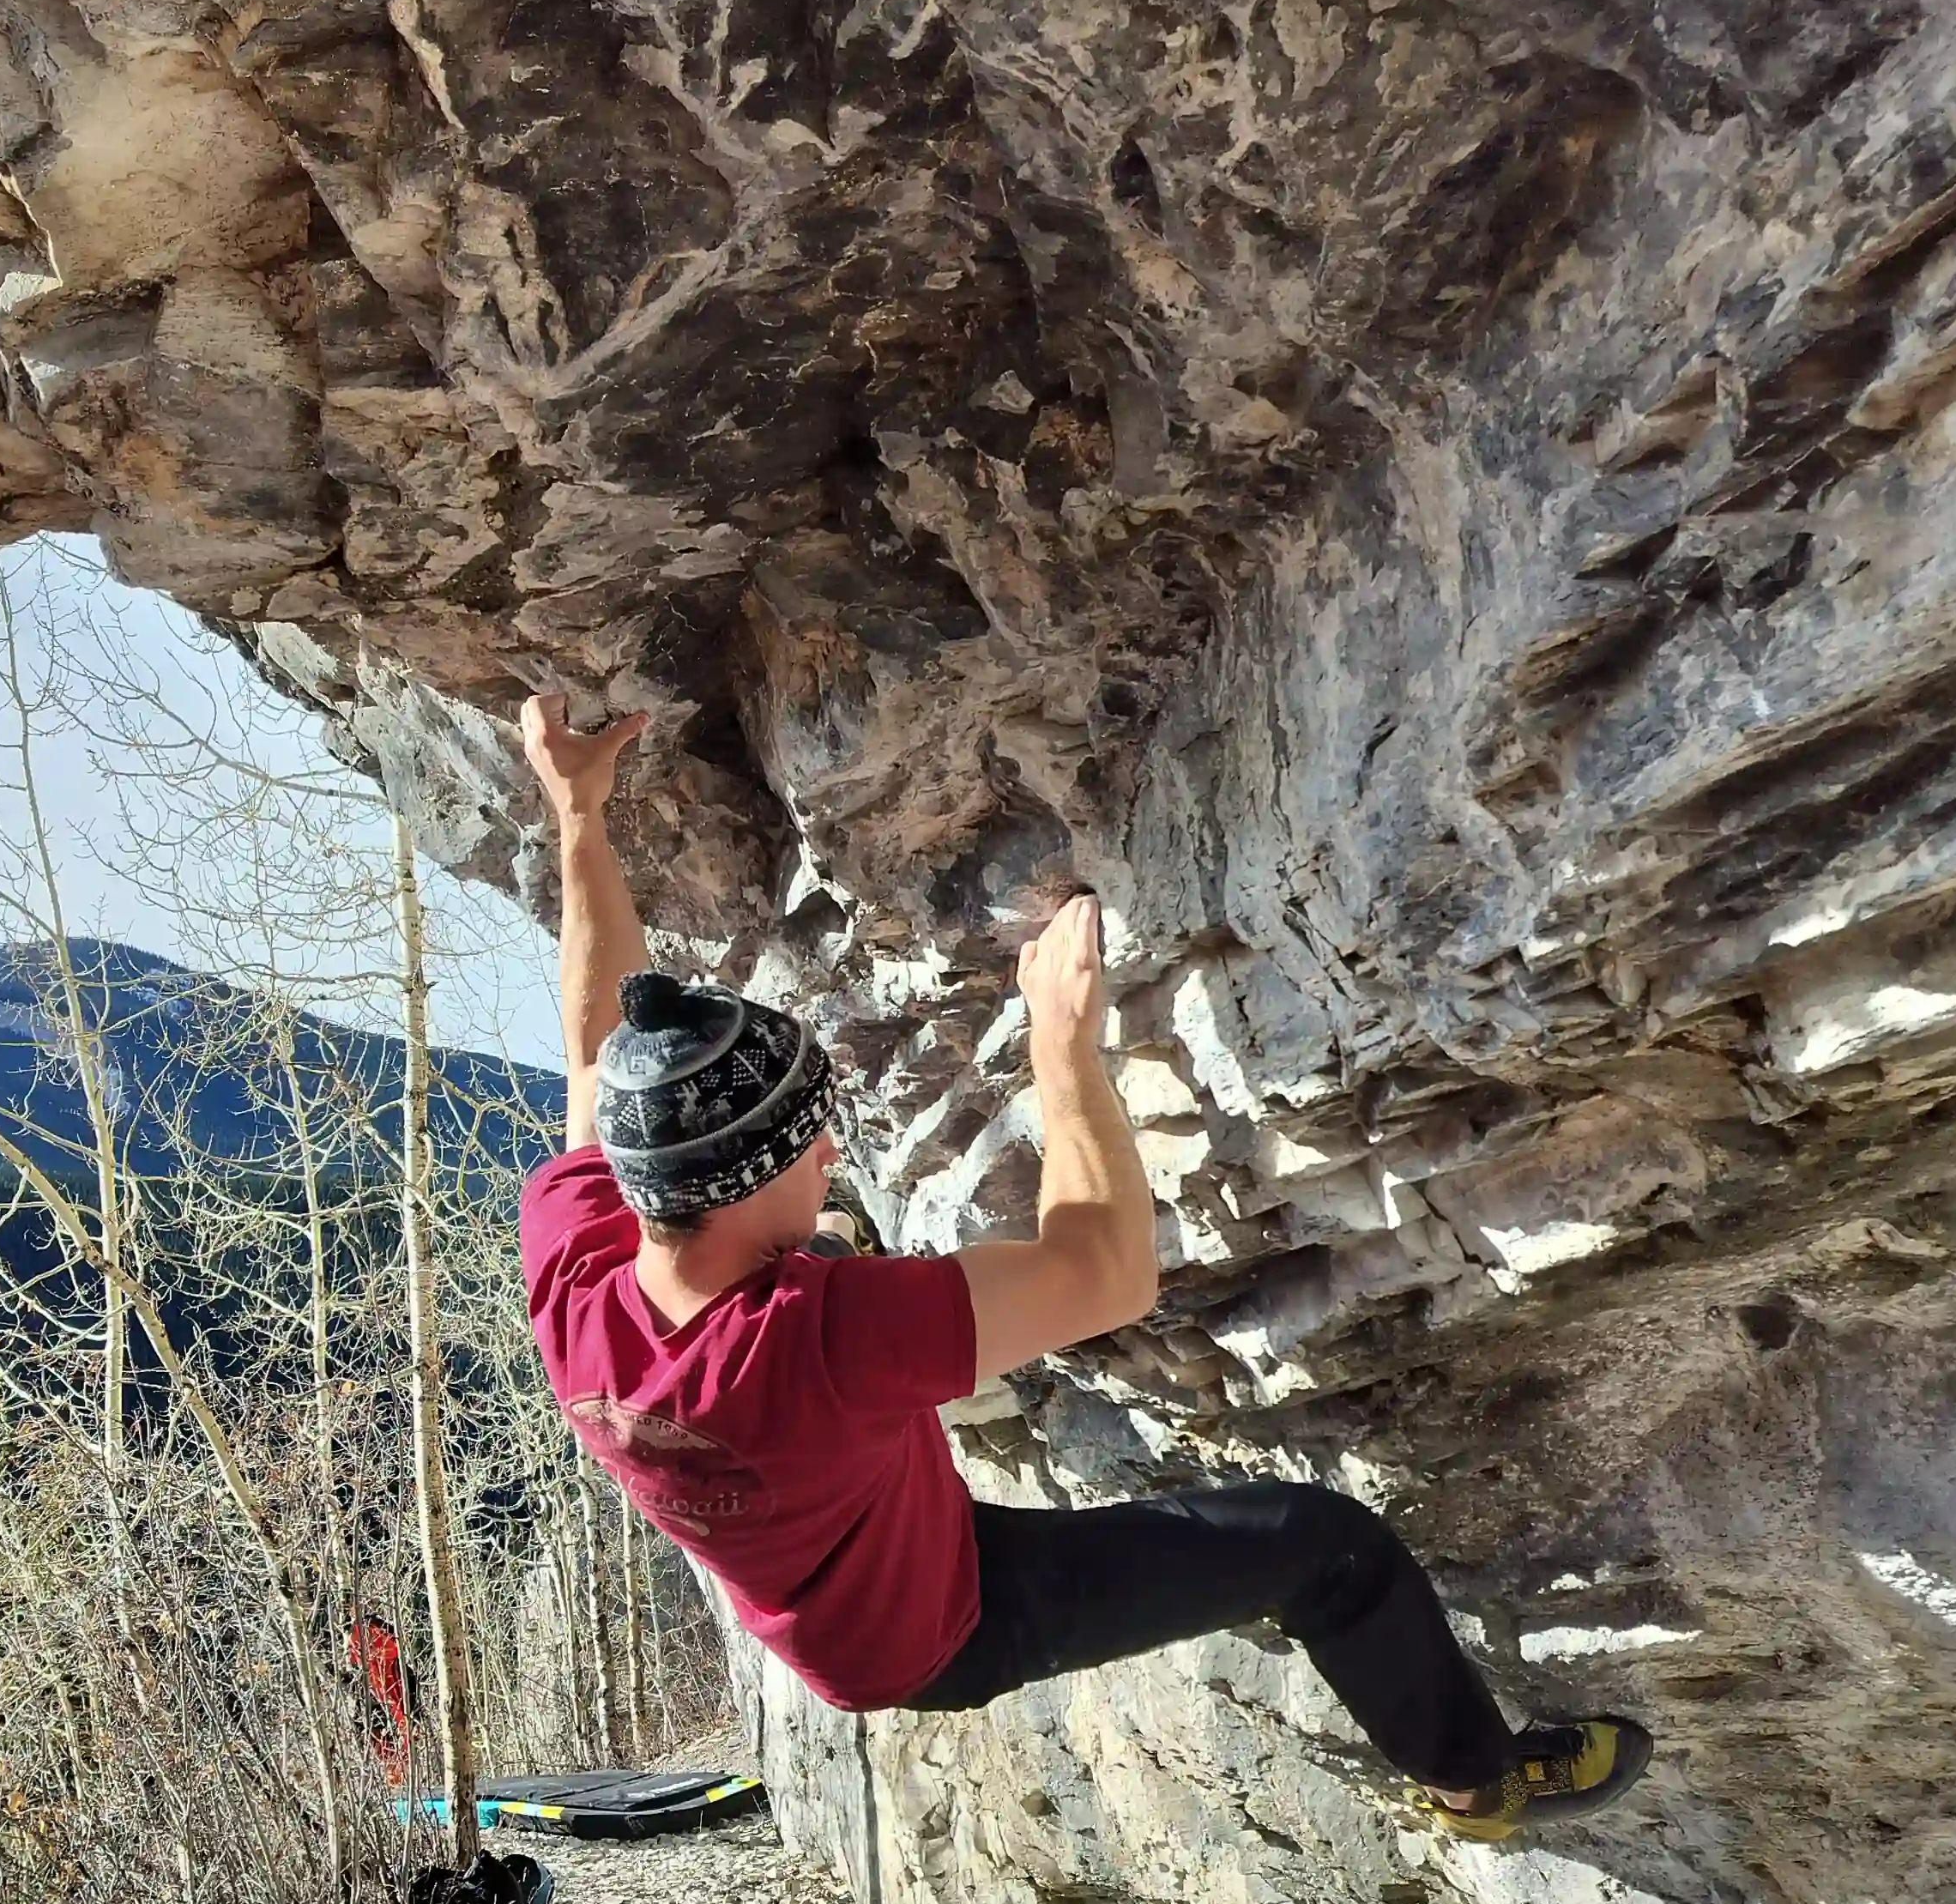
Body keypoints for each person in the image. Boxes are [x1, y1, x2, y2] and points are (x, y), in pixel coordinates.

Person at [512, 695, 1649, 1841]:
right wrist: (1060, 1044)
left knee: (828, 1242)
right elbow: (1105, 1273)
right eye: (810, 1137)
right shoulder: (820, 1337)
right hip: (944, 1626)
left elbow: (591, 1042)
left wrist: (579, 813)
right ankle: (1480, 1784)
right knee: (1326, 1550)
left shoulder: (579, 1267)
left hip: (849, 1581)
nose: (826, 1147)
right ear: (746, 1175)